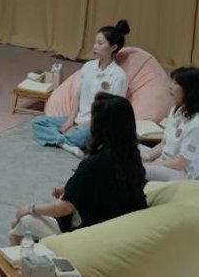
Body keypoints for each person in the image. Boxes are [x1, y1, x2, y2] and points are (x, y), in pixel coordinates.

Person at [11, 92, 147, 243]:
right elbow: (107, 186)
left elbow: (64, 208)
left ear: (100, 126)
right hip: (120, 228)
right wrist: (72, 187)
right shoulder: (133, 157)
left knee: (22, 223)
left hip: (91, 235)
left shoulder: (94, 164)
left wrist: (30, 208)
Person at [31, 19, 131, 157]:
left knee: (83, 135)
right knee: (37, 122)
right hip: (77, 119)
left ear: (113, 47)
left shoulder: (119, 76)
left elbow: (113, 112)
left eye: (100, 43)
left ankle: (62, 139)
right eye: (95, 42)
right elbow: (77, 95)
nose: (95, 46)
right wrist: (70, 120)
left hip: (96, 126)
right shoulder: (88, 66)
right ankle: (65, 143)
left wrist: (88, 124)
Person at [141, 66, 199, 182]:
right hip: (165, 161)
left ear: (189, 90)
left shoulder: (198, 124)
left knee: (136, 169)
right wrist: (147, 156)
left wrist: (153, 164)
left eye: (175, 83)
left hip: (183, 173)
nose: (170, 86)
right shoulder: (176, 109)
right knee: (127, 149)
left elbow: (182, 163)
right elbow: (164, 143)